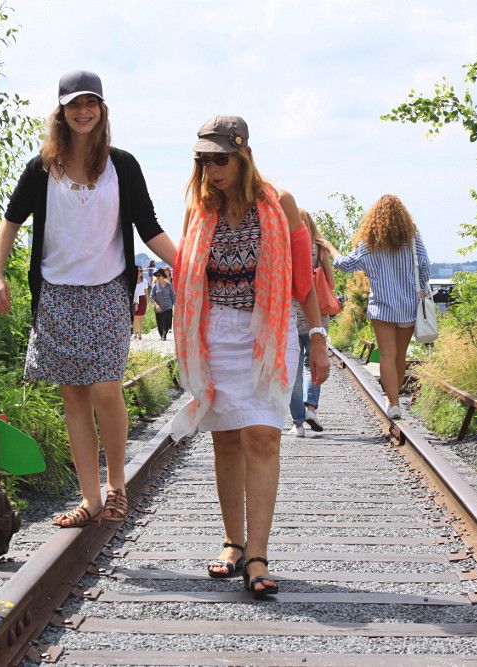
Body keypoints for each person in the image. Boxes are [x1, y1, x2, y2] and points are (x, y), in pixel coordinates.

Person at [0, 70, 176, 528]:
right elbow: (11, 221)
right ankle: (90, 499)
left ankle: (116, 487)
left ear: (102, 110)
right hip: (56, 293)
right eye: (74, 104)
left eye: (90, 103)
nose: (83, 111)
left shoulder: (122, 165)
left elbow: (148, 227)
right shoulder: (41, 168)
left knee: (107, 387)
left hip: (108, 290)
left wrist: (190, 265)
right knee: (73, 396)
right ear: (62, 111)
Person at [171, 115, 330, 598]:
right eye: (204, 160)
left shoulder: (280, 203)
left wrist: (318, 335)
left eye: (221, 159)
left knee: (262, 435)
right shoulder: (199, 207)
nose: (212, 169)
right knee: (225, 440)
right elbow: (186, 273)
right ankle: (233, 542)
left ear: (243, 156)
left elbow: (302, 277)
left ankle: (257, 554)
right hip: (216, 330)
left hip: (270, 327)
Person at [332, 194, 428, 420]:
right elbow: (424, 264)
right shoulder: (412, 239)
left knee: (386, 354)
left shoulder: (370, 243)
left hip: (383, 306)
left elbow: (346, 264)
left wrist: (331, 250)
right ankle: (395, 400)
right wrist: (421, 288)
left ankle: (393, 403)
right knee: (400, 356)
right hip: (408, 305)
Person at [289, 210, 336, 436]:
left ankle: (298, 424)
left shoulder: (287, 245)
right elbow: (332, 284)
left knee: (294, 369)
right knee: (313, 365)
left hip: (291, 316)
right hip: (317, 318)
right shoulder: (320, 249)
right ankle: (311, 409)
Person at [150, 268, 176, 340]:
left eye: (159, 275)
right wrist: (156, 305)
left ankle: (164, 335)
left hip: (168, 306)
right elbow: (151, 297)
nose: (157, 277)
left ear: (163, 276)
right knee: (160, 323)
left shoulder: (168, 285)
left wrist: (175, 304)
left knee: (167, 321)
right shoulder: (155, 286)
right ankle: (161, 334)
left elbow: (172, 295)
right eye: (157, 276)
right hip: (159, 308)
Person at [133, 266, 149, 340]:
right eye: (138, 271)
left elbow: (146, 292)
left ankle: (140, 333)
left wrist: (147, 302)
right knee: (135, 317)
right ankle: (135, 333)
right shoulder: (132, 280)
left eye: (141, 271)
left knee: (140, 317)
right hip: (134, 299)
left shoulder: (144, 281)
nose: (139, 272)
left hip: (142, 299)